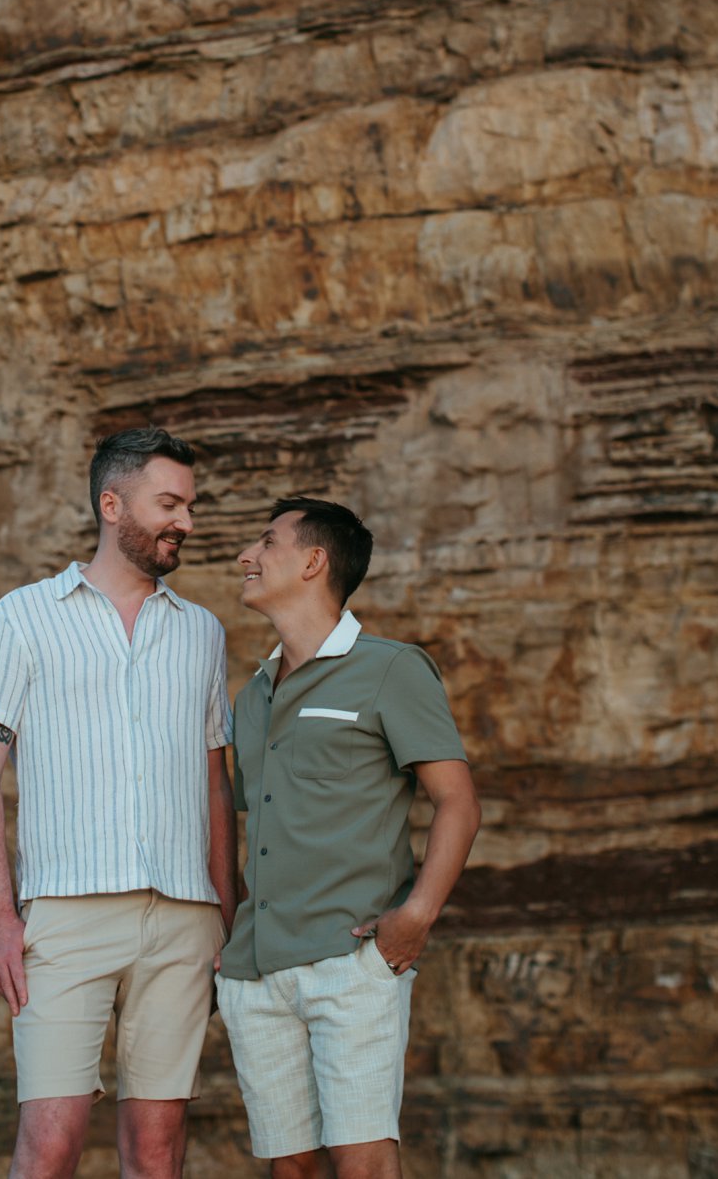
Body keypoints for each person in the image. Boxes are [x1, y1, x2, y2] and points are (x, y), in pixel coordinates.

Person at [0, 426, 237, 1179]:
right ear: (112, 505)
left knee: (156, 1153)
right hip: (65, 916)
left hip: (183, 919)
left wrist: (227, 915)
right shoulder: (21, 616)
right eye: (169, 503)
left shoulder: (204, 633)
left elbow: (216, 783)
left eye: (190, 506)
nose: (186, 521)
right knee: (50, 1146)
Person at [217, 497, 481, 1179]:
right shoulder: (252, 697)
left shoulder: (392, 668)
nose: (247, 555)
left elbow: (458, 801)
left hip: (351, 962)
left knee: (364, 1163)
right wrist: (226, 938)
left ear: (314, 561)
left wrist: (416, 916)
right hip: (256, 973)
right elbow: (250, 823)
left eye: (266, 542)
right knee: (291, 1169)